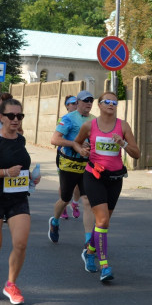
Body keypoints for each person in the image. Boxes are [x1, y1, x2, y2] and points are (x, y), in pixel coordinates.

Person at [72, 91, 140, 282]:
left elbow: (137, 154)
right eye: (107, 101)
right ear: (99, 105)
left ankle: (89, 251)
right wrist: (82, 150)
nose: (111, 104)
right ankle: (105, 266)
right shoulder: (89, 125)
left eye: (114, 102)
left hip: (115, 178)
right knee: (102, 222)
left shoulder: (123, 126)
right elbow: (76, 143)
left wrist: (123, 143)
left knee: (104, 222)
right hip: (94, 176)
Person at [0, 98, 39, 304]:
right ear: (1, 117)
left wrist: (30, 176)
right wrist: (5, 172)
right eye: (11, 116)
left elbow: (20, 168)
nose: (15, 120)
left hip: (18, 198)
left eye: (19, 116)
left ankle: (11, 284)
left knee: (20, 243)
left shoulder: (20, 139)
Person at [48, 90, 95, 248]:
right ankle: (54, 221)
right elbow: (54, 139)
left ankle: (89, 240)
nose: (89, 103)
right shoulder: (68, 118)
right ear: (78, 102)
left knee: (87, 200)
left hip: (87, 165)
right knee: (65, 199)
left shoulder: (95, 120)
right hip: (69, 163)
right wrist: (76, 144)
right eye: (85, 100)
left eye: (91, 100)